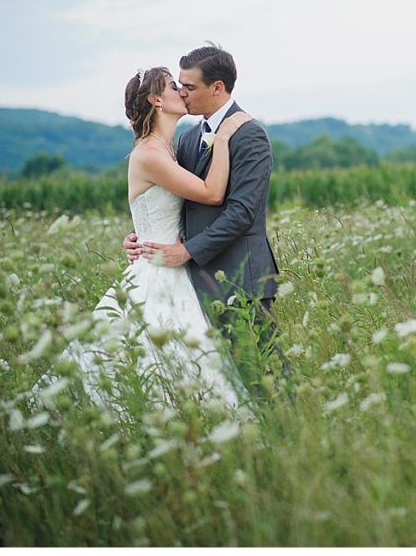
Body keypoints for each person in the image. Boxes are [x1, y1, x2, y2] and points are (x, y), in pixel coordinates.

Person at [34, 65, 255, 419]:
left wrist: (138, 234)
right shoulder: (150, 154)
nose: (181, 91)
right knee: (152, 358)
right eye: (172, 86)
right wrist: (225, 139)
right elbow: (212, 194)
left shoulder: (171, 148)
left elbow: (163, 209)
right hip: (157, 272)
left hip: (173, 265)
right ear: (156, 99)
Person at [124, 43, 288, 400]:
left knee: (268, 375)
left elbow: (242, 212)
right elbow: (173, 200)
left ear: (217, 88)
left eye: (190, 87)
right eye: (177, 86)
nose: (182, 93)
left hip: (239, 276)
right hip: (193, 282)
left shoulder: (249, 134)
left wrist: (186, 251)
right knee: (222, 379)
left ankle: (292, 437)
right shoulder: (186, 138)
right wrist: (139, 234)